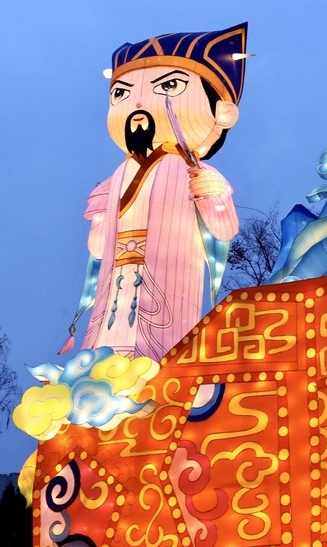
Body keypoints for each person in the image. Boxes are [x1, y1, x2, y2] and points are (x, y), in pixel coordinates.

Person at [62, 24, 247, 361]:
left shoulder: (192, 169)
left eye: (170, 86)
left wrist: (215, 196)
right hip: (115, 279)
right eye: (122, 93)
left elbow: (225, 229)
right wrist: (101, 222)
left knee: (164, 345)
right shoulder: (117, 177)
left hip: (170, 277)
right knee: (105, 337)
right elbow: (97, 247)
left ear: (223, 112)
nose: (139, 102)